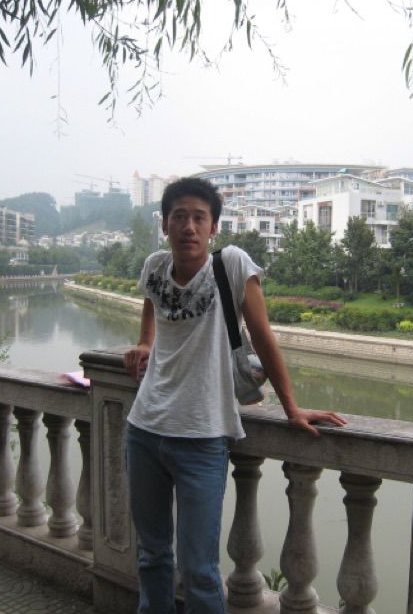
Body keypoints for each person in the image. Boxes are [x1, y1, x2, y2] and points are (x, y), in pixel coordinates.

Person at [124, 177, 346, 614]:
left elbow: (263, 337)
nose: (189, 227)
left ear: (213, 227)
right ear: (165, 225)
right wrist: (145, 343)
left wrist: (291, 407)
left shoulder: (232, 264)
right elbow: (152, 308)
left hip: (203, 435)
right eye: (179, 217)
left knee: (200, 569)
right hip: (144, 429)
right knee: (151, 556)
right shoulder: (154, 266)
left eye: (199, 218)